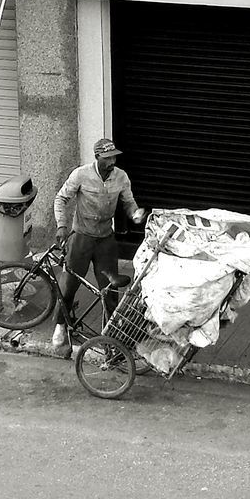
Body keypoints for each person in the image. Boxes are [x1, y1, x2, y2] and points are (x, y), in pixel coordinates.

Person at [52, 137, 147, 350]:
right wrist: (61, 225)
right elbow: (61, 199)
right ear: (97, 157)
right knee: (69, 285)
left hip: (105, 239)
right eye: (107, 158)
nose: (112, 161)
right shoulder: (81, 174)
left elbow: (129, 202)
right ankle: (60, 325)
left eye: (114, 156)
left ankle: (111, 334)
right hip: (81, 238)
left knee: (110, 288)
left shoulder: (121, 177)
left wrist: (135, 215)